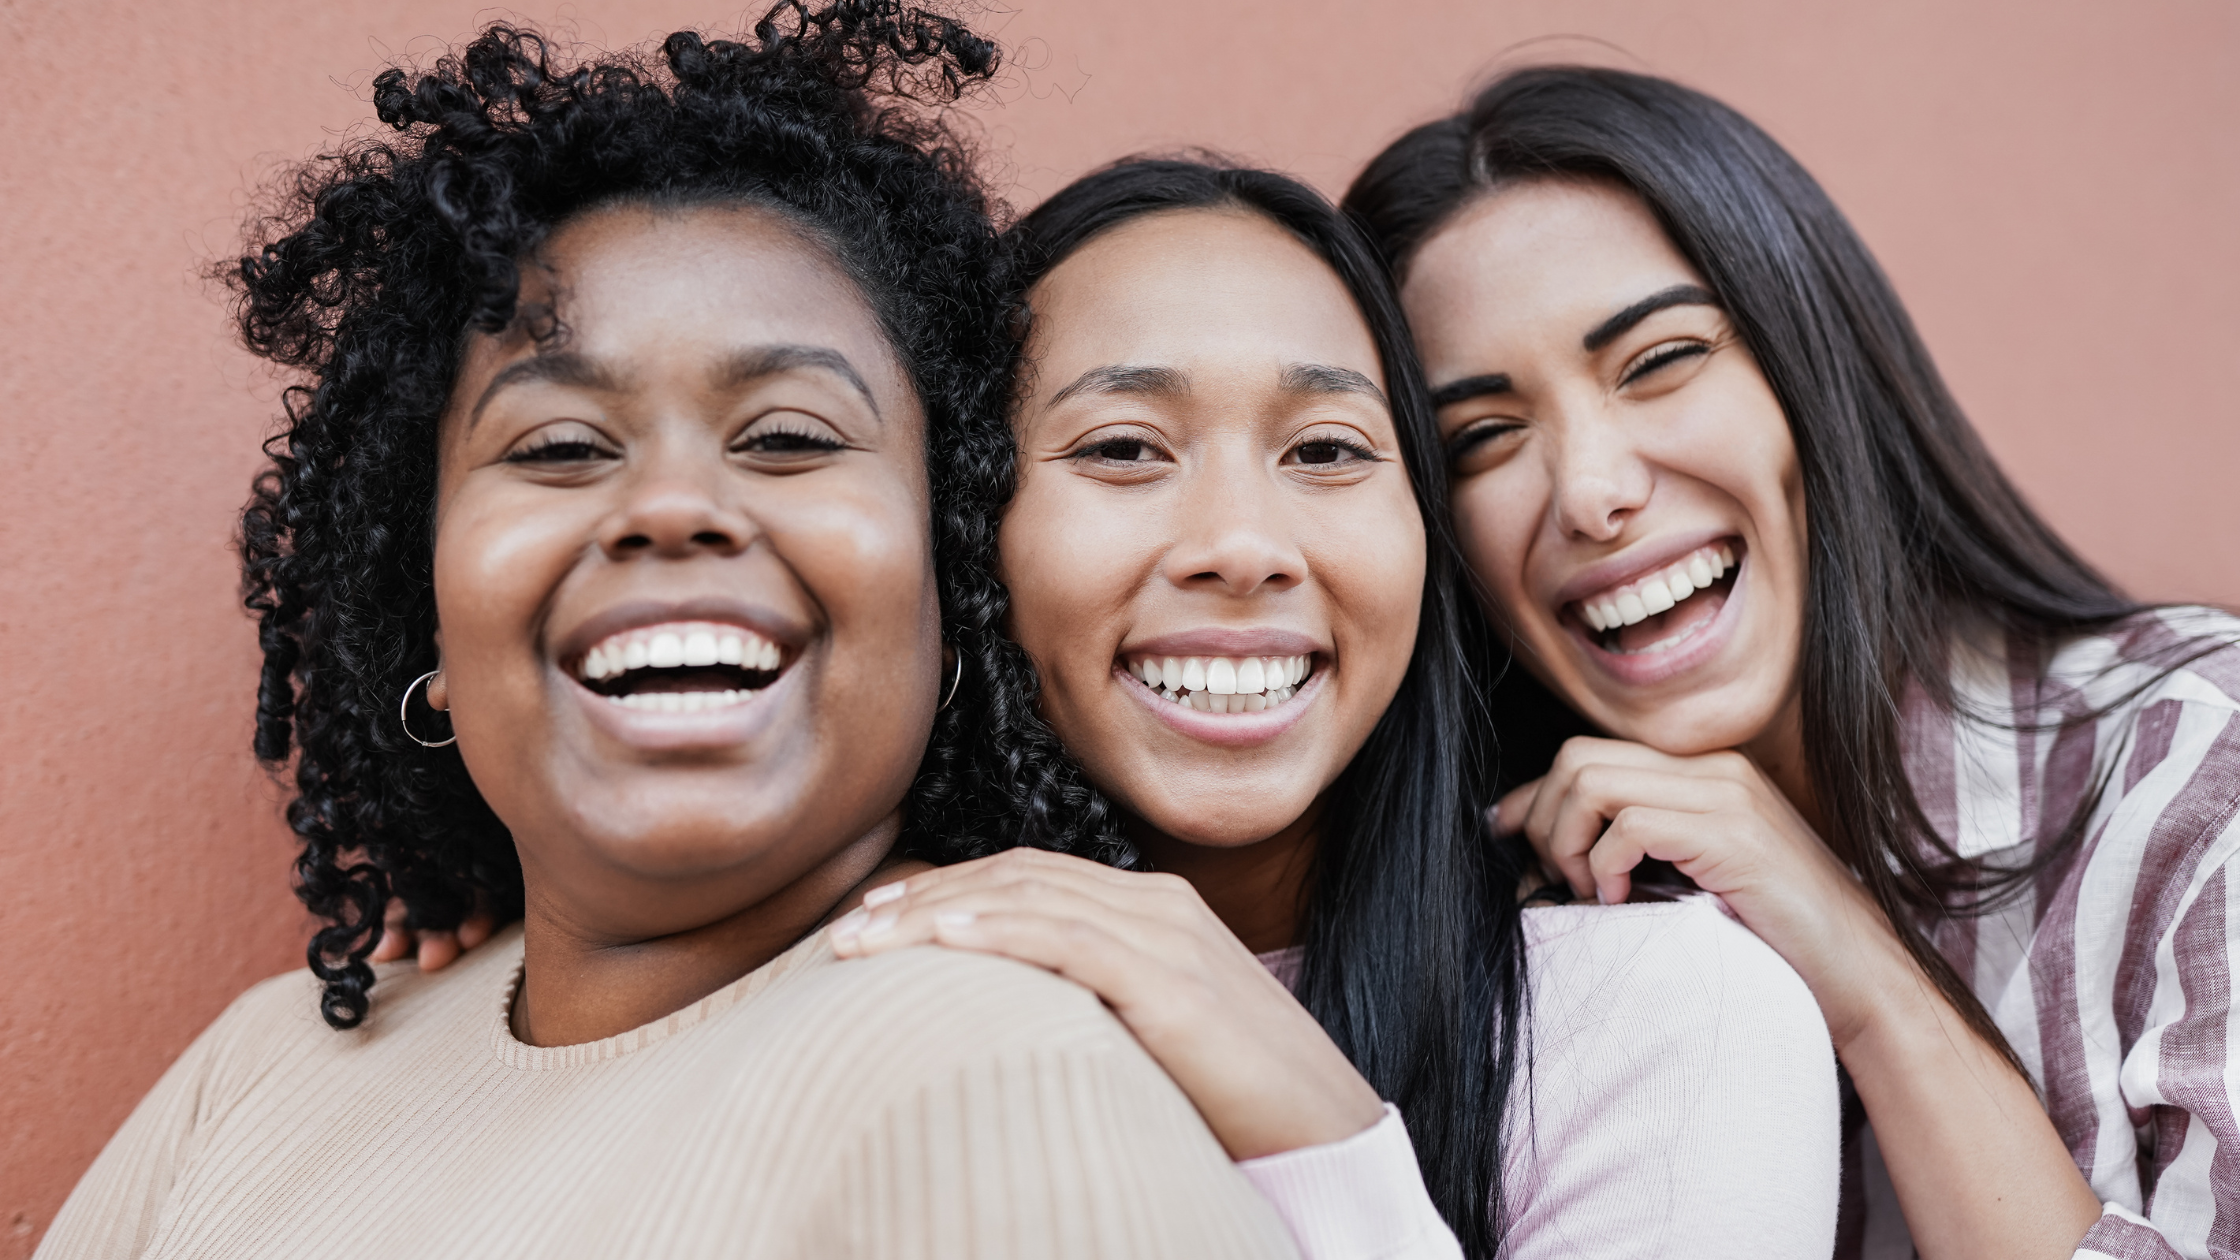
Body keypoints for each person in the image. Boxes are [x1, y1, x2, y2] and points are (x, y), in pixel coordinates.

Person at [33, 14, 1302, 1260]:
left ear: (950, 585)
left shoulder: (1002, 1080)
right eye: (561, 448)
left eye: (791, 436)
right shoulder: (269, 1062)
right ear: (428, 609)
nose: (672, 510)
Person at [831, 158, 1840, 1259]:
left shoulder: (1659, 1018)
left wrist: (1315, 1124)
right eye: (1124, 448)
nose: (1241, 547)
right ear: (969, 520)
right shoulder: (854, 975)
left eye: (1324, 450)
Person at [1343, 65, 2240, 1259]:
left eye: (1657, 361)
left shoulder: (2196, 770)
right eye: (1481, 439)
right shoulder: (1526, 930)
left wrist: (1866, 979)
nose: (1593, 493)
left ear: (1811, 361)